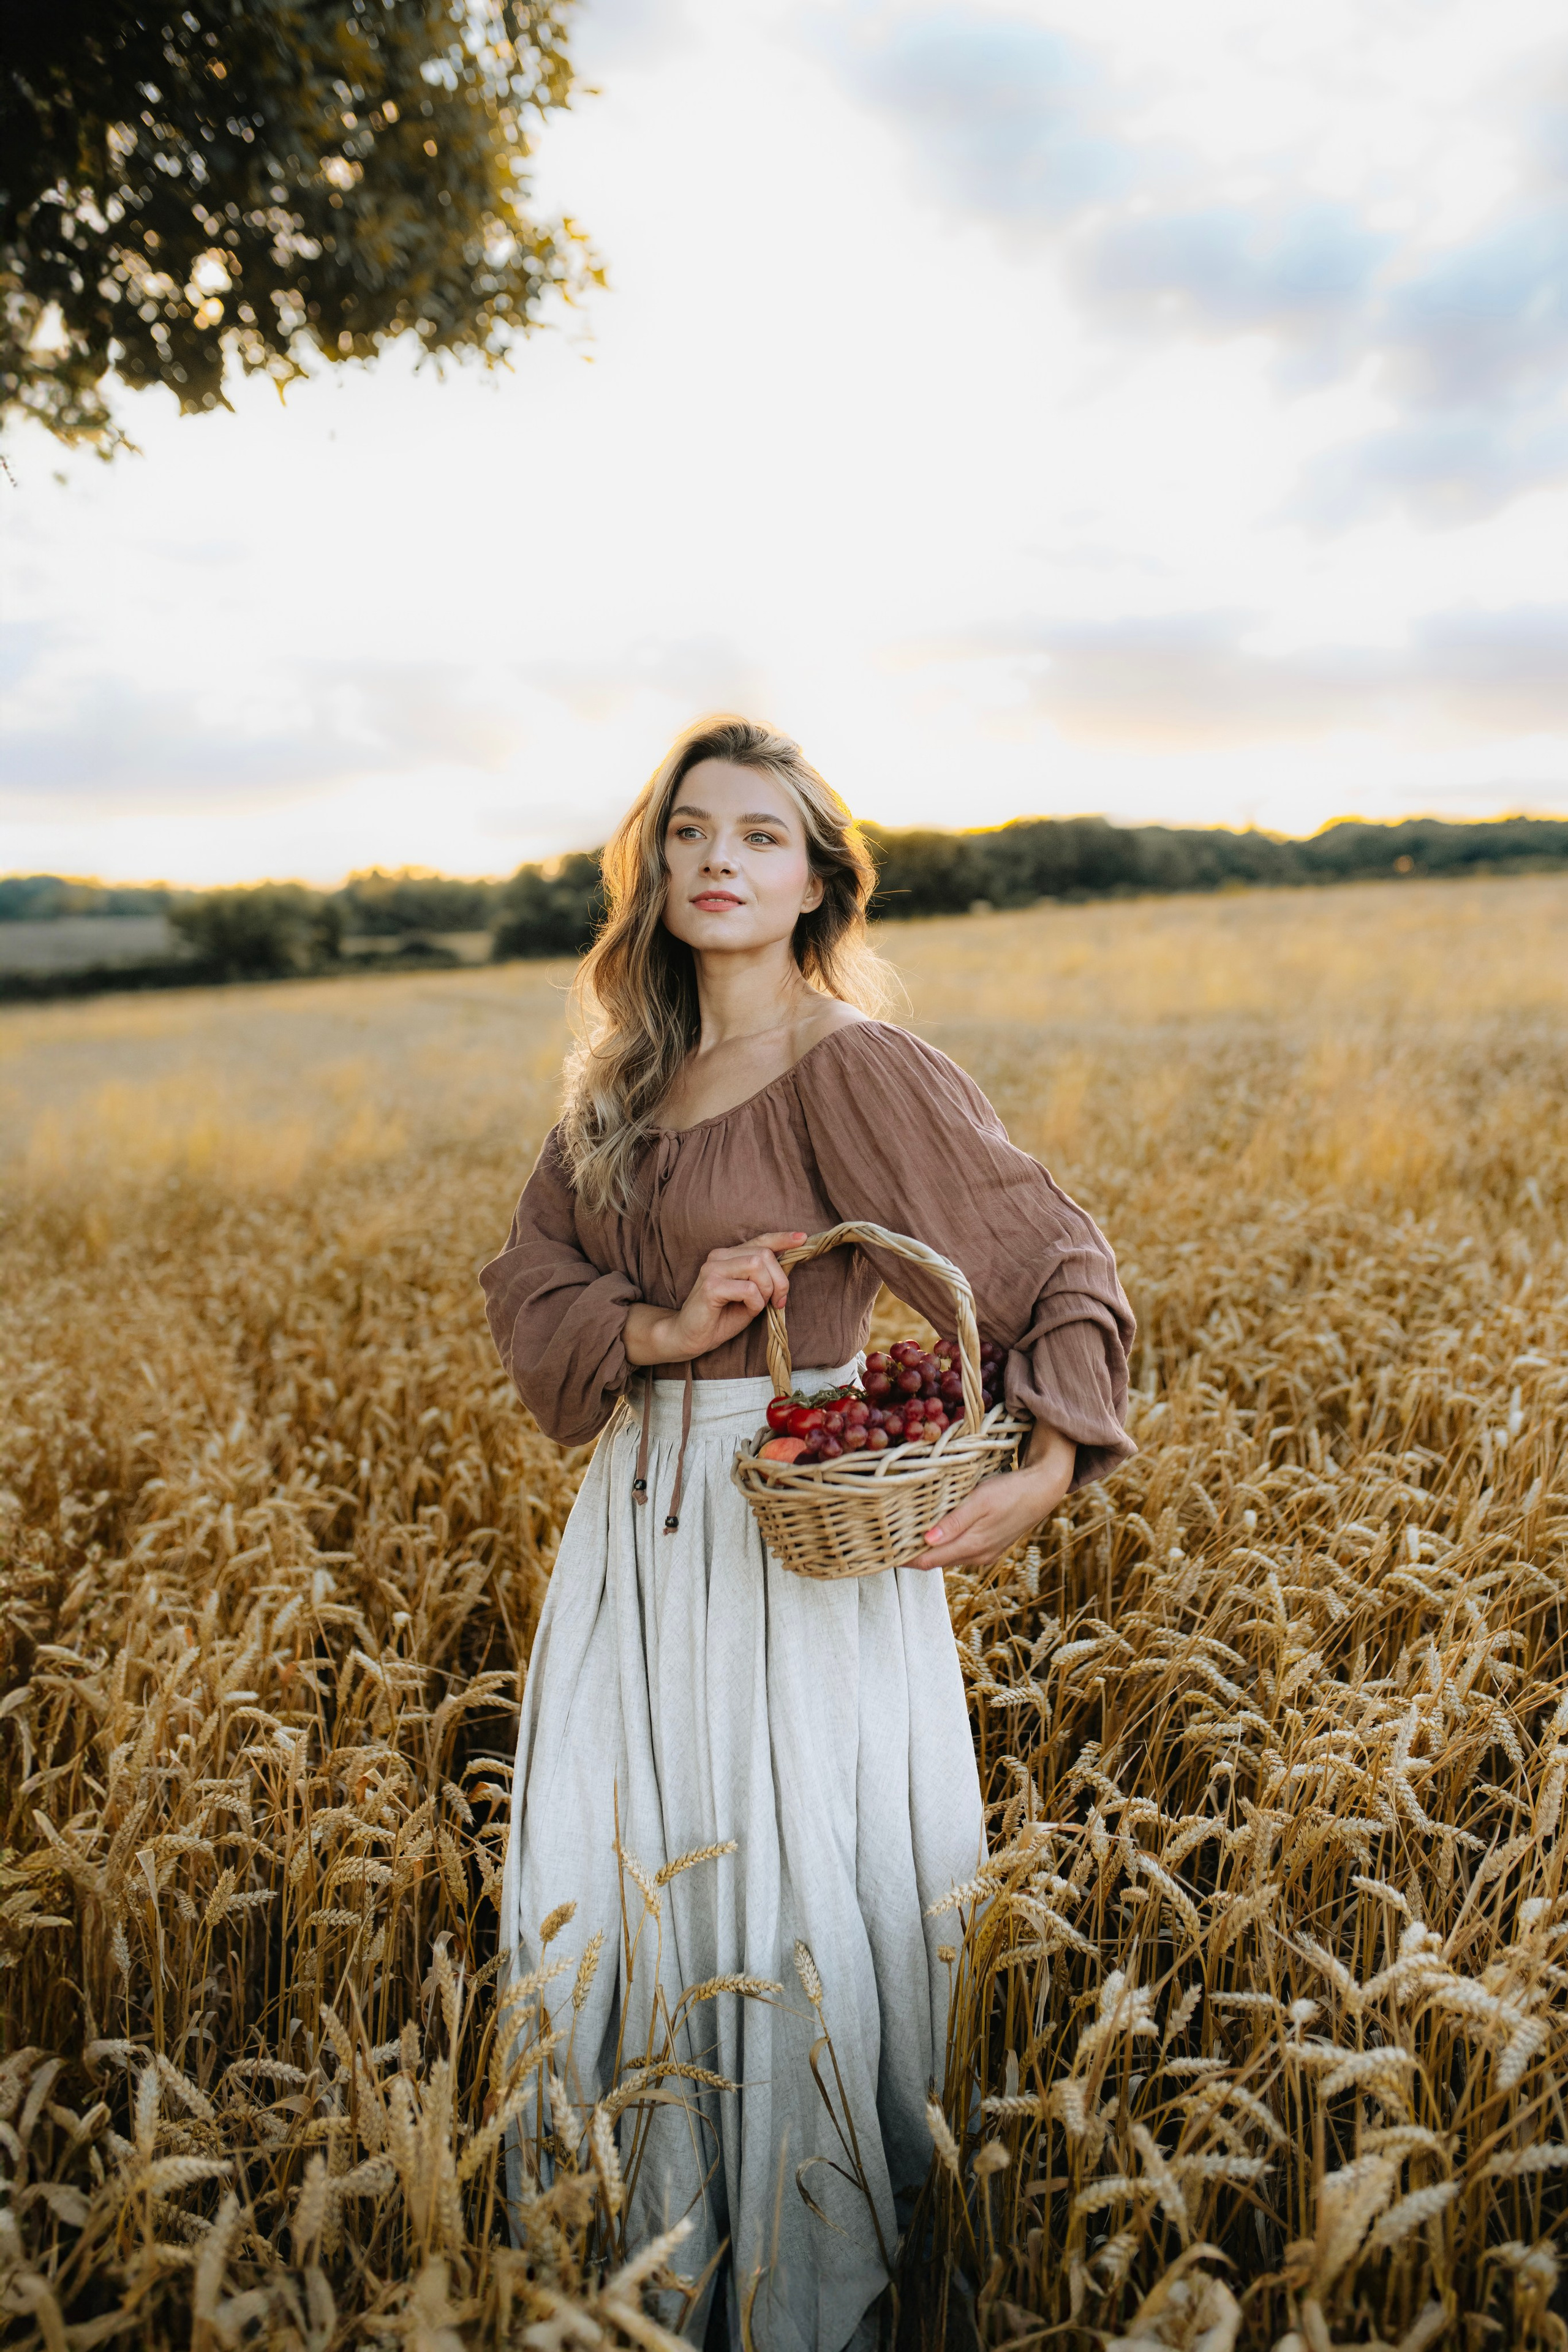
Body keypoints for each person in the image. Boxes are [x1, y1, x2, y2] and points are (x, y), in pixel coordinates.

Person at [479, 717, 1134, 2351]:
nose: (720, 861)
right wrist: (661, 1323)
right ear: (653, 869)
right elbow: (531, 1284)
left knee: (787, 1892)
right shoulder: (620, 1085)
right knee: (612, 1887)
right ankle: (643, 2269)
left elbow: (1048, 1258)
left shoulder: (853, 1065)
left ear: (819, 881)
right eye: (690, 832)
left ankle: (813, 2283)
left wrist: (1053, 1457)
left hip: (790, 1538)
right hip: (633, 1546)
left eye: (760, 837)